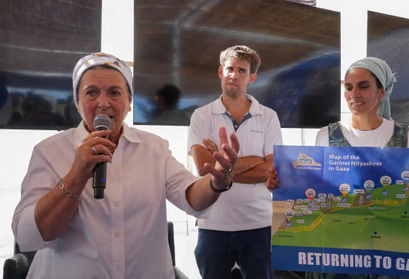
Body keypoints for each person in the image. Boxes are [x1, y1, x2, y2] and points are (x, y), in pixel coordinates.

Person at [11, 52, 240, 279]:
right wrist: (77, 174)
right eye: (91, 92)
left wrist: (215, 183)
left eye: (114, 92)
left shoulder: (154, 148)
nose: (103, 102)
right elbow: (30, 233)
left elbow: (190, 195)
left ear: (129, 103)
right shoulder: (49, 152)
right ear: (77, 102)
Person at [267, 57, 409, 279]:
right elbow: (312, 192)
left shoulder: (403, 136)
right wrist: (281, 187)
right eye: (348, 87)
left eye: (363, 86)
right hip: (337, 252)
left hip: (385, 250)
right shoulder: (326, 135)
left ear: (381, 92)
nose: (354, 94)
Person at [188, 45, 283, 279]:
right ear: (221, 72)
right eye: (230, 69)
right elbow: (203, 168)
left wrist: (225, 166)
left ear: (251, 78)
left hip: (259, 225)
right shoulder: (201, 115)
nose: (234, 75)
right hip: (213, 224)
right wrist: (255, 161)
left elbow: (271, 168)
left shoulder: (269, 116)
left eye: (242, 70)